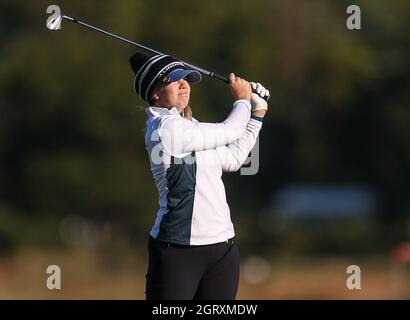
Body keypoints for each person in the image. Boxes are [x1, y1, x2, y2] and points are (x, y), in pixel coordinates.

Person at [129, 52, 269, 300]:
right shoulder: (164, 129)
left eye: (185, 78)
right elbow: (231, 129)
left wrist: (256, 114)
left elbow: (234, 159)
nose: (184, 84)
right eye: (173, 79)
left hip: (222, 249)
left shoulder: (191, 127)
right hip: (177, 251)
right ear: (155, 93)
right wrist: (243, 100)